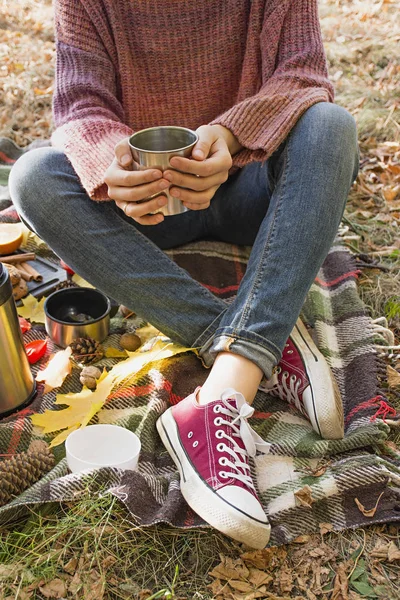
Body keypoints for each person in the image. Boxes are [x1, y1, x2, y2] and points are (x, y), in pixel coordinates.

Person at [10, 0, 359, 549]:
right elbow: (79, 106)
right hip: (141, 210)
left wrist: (232, 133)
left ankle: (220, 394)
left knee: (330, 126)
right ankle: (259, 339)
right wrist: (109, 161)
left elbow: (303, 75)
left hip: (248, 187)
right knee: (32, 176)